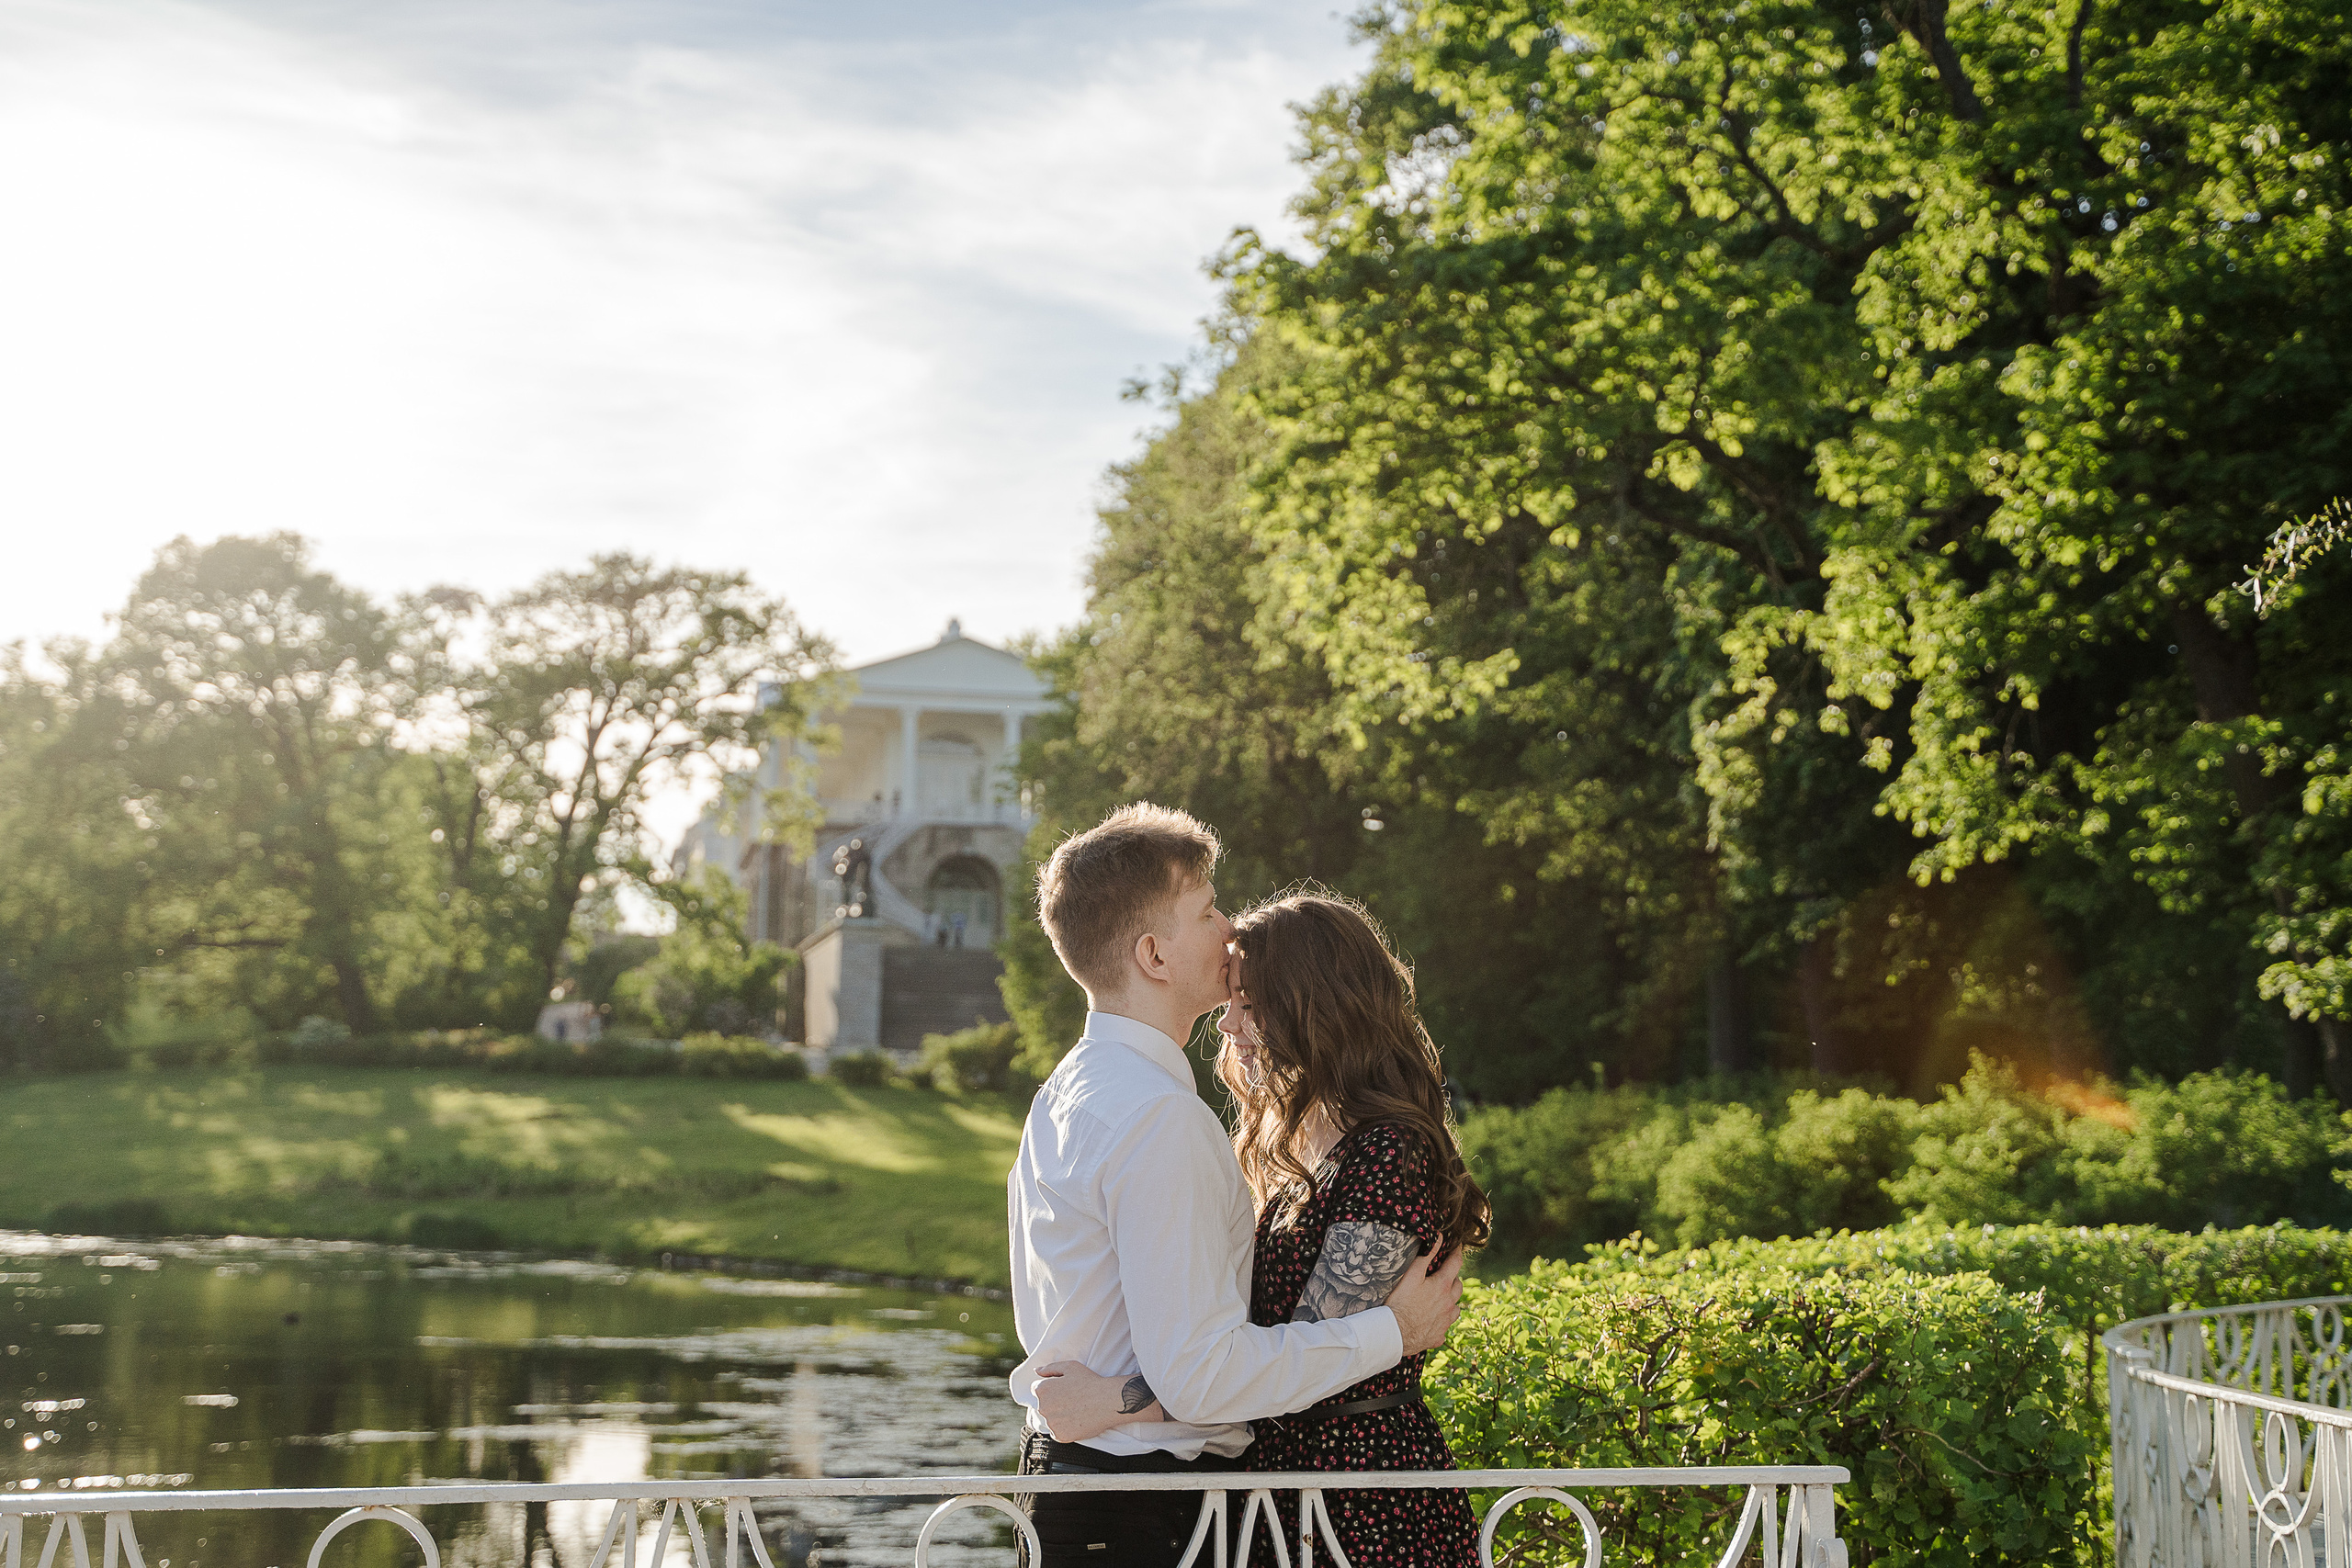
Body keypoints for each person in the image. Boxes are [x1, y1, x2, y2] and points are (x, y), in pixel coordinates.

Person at [1007, 806, 1466, 1568]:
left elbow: (1207, 1353)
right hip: (1143, 1496)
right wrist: (1396, 1329)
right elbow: (1206, 1369)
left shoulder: (1072, 1088)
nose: (1225, 929)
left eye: (1254, 1000)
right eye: (1207, 909)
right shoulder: (1160, 1116)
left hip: (1309, 1500)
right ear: (1154, 953)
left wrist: (1120, 1394)